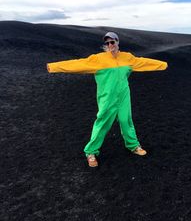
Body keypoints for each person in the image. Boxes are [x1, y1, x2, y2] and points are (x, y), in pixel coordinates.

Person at [47, 31, 168, 167]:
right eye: (107, 43)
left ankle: (133, 146)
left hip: (123, 96)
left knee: (126, 120)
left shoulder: (127, 58)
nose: (110, 45)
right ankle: (91, 152)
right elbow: (78, 64)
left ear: (117, 42)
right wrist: (54, 67)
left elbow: (143, 62)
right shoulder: (98, 59)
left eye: (112, 41)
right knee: (103, 122)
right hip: (107, 98)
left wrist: (162, 64)